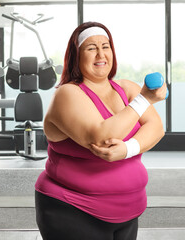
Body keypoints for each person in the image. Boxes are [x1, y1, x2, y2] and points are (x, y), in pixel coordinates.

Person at [35, 21, 167, 240]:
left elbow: (156, 128)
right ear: (76, 56)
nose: (100, 54)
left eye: (105, 46)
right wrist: (143, 100)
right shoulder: (67, 94)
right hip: (72, 209)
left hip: (127, 212)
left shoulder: (127, 88)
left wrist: (127, 148)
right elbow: (102, 136)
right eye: (91, 48)